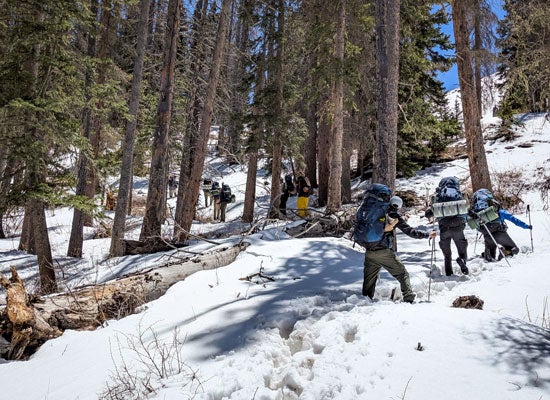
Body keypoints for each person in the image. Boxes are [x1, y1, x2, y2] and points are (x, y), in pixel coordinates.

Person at [356, 185, 437, 303]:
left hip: (369, 251)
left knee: (369, 281)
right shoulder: (393, 215)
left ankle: (365, 301)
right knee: (402, 274)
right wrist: (427, 234)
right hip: (384, 252)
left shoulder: (372, 211)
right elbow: (410, 232)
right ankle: (408, 298)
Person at [469, 188, 532, 261]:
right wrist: (526, 226)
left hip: (487, 235)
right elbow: (515, 220)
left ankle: (488, 254)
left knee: (491, 253)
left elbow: (476, 227)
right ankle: (505, 252)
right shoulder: (499, 211)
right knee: (514, 249)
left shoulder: (478, 214)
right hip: (500, 233)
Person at [424, 177, 469, 276]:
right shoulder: (459, 194)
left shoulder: (438, 196)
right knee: (462, 248)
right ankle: (462, 260)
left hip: (444, 228)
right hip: (458, 226)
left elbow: (429, 213)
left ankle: (449, 273)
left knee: (447, 254)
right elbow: (467, 209)